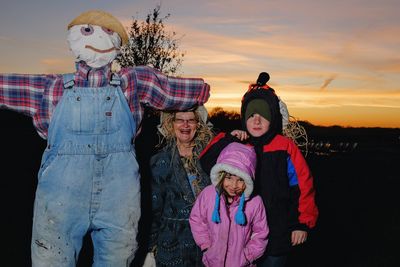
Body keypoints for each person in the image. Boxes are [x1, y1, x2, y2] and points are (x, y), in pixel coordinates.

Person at [0, 10, 210, 267]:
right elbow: (6, 85)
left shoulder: (132, 83)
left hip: (118, 201)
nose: (98, 37)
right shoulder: (52, 88)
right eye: (88, 31)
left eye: (108, 32)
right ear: (73, 38)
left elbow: (172, 90)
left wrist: (203, 92)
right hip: (60, 205)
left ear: (117, 44)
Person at [199, 74, 318, 267]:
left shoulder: (284, 147)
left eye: (263, 115)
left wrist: (301, 223)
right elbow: (206, 162)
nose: (256, 120)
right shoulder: (237, 144)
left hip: (277, 232)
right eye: (251, 115)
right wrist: (229, 139)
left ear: (274, 118)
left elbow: (303, 186)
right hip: (242, 234)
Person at [144, 106, 214, 267]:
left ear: (199, 124)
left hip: (208, 246)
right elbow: (152, 209)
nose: (185, 125)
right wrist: (149, 248)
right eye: (180, 120)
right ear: (171, 124)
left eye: (191, 120)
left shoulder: (210, 158)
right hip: (171, 246)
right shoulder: (159, 162)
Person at [189, 142, 269, 267]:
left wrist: (248, 256)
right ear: (221, 175)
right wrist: (205, 245)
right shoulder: (208, 194)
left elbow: (261, 233)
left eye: (241, 180)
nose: (233, 185)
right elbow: (197, 219)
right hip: (212, 262)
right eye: (229, 178)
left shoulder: (255, 202)